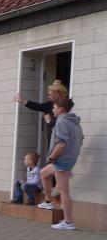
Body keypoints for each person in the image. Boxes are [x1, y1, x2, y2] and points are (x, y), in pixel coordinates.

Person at [37, 98, 83, 230]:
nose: (53, 109)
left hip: (62, 161)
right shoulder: (75, 122)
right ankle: (48, 201)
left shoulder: (62, 121)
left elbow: (62, 143)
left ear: (61, 109)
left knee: (64, 191)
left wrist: (52, 157)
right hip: (66, 159)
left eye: (54, 107)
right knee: (43, 173)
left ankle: (68, 222)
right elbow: (81, 140)